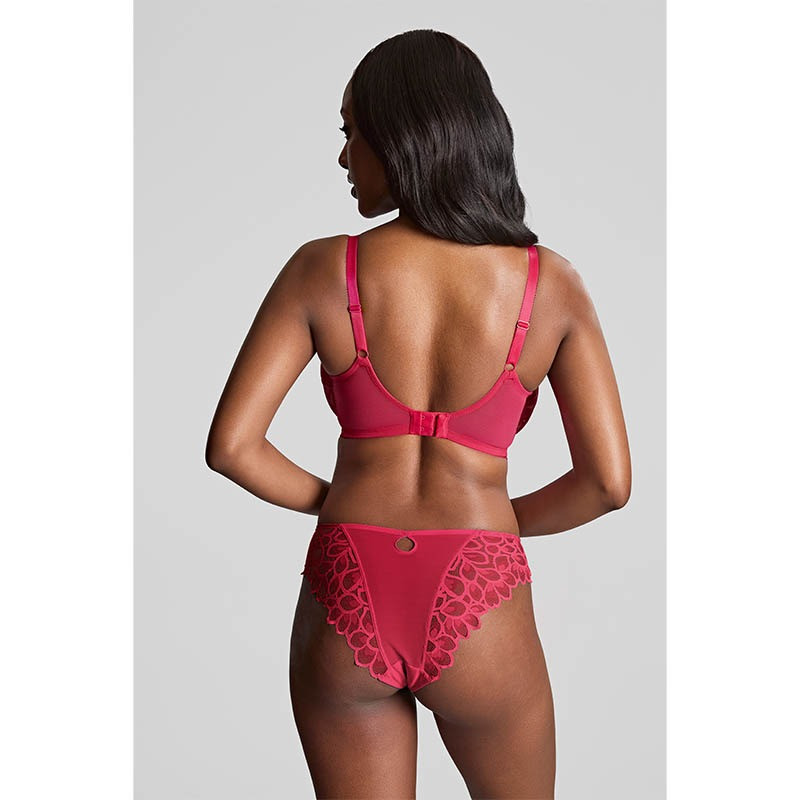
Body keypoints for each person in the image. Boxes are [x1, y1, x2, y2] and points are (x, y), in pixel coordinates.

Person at [206, 29, 631, 800]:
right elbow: (608, 483)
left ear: (402, 135)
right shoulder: (550, 284)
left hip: (348, 582)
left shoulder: (322, 268)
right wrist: (494, 522)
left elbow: (234, 447)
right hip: (479, 583)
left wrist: (344, 504)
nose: (344, 157)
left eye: (351, 132)